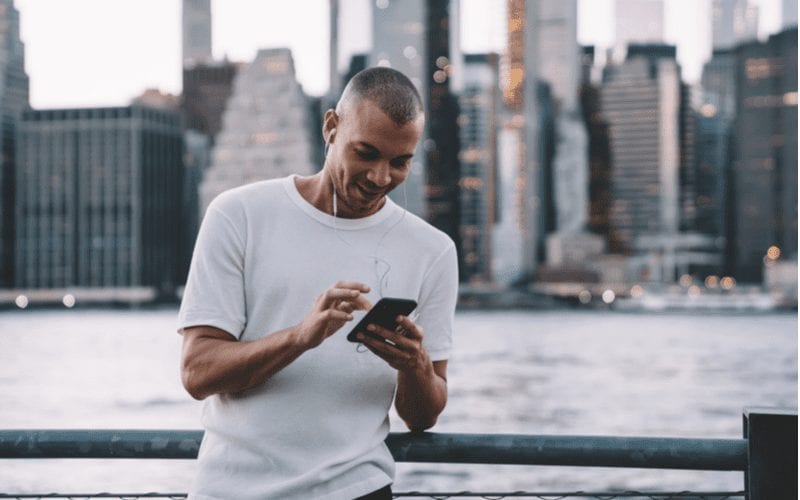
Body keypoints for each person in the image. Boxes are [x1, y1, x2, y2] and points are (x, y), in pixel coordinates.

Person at [177, 66, 459, 500]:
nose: (381, 177)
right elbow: (197, 373)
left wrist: (415, 365)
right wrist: (300, 338)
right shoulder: (238, 214)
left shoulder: (433, 250)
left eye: (399, 161)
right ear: (331, 127)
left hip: (357, 491)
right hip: (232, 490)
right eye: (365, 153)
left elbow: (422, 418)